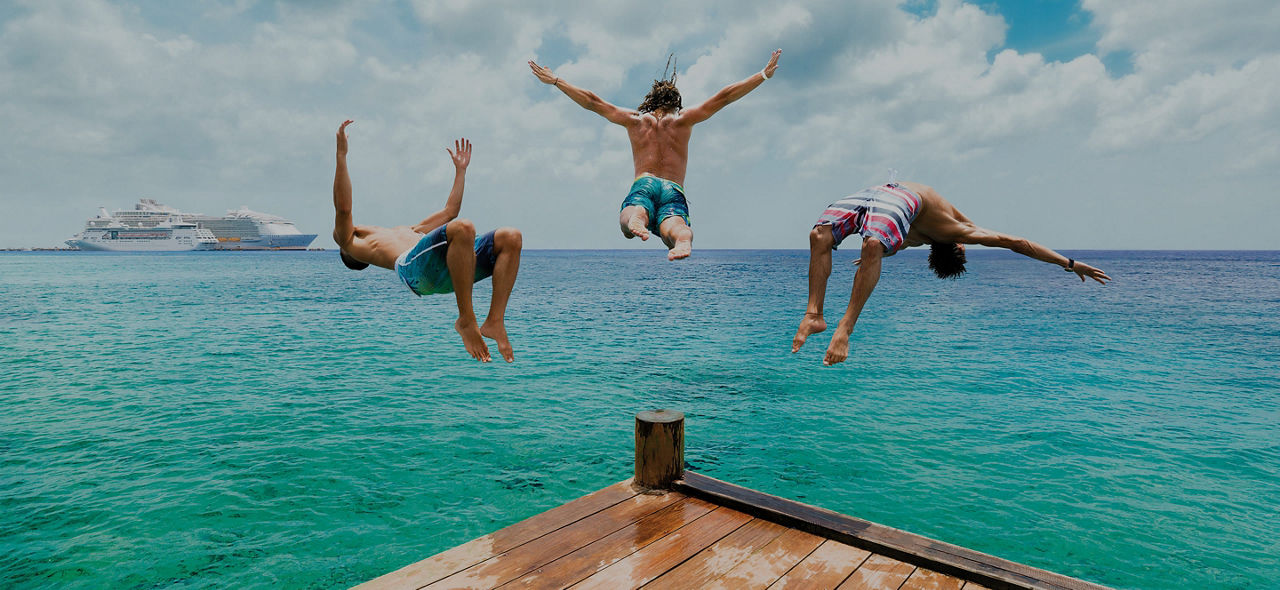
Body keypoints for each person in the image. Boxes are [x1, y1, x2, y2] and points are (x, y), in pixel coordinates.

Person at [792, 179, 1112, 366]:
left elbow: (1018, 242)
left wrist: (1069, 264)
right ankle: (814, 314)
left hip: (889, 195)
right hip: (883, 199)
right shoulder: (914, 238)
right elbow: (894, 243)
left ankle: (843, 329)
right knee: (825, 236)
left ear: (957, 248)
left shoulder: (957, 231)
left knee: (854, 242)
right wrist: (1067, 265)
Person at [529, 49, 782, 260]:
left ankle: (637, 217)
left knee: (630, 216)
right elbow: (724, 97)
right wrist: (763, 75)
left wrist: (556, 81)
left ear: (650, 101)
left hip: (645, 183)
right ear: (676, 103)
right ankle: (683, 240)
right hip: (673, 189)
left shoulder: (635, 120)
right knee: (675, 226)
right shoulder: (684, 120)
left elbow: (593, 102)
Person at [331, 120, 522, 363]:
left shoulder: (411, 231)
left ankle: (494, 320)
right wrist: (341, 155)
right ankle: (466, 319)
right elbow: (344, 210)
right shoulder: (349, 243)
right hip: (414, 270)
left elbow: (449, 210)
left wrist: (460, 172)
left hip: (451, 269)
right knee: (463, 228)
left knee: (511, 237)